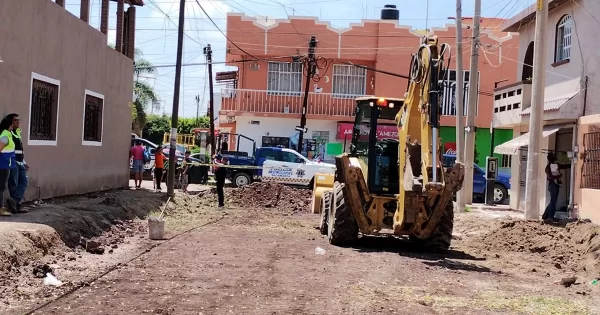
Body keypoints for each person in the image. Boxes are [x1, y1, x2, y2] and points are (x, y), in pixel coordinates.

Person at [5, 113, 28, 213]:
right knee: (13, 183)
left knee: (24, 181)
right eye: (15, 120)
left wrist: (24, 161)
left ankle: (14, 201)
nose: (18, 122)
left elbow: (19, 149)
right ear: (11, 122)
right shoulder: (8, 133)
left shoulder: (17, 133)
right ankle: (16, 206)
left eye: (19, 120)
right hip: (13, 162)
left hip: (20, 162)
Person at [542, 153, 568, 222]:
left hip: (555, 185)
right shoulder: (548, 167)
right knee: (553, 201)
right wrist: (559, 176)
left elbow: (564, 166)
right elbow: (550, 177)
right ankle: (550, 217)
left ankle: (545, 215)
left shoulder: (555, 165)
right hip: (552, 185)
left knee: (553, 201)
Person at [0, 118, 16, 216]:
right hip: (3, 164)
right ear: (9, 125)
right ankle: (1, 209)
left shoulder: (7, 135)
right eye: (12, 124)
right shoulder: (5, 136)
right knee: (1, 187)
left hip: (6, 164)